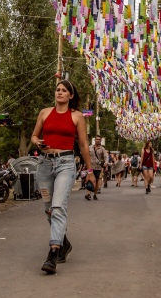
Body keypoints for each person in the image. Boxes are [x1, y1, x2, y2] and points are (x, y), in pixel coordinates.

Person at [31, 80, 95, 274]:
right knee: (48, 209)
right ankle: (63, 242)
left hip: (65, 164)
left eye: (64, 90)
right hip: (44, 164)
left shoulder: (77, 117)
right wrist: (37, 143)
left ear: (71, 95)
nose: (59, 93)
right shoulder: (44, 112)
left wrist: (90, 172)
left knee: (58, 207)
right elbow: (34, 136)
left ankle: (53, 253)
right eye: (57, 89)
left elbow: (83, 146)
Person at [86, 135, 107, 201]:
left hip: (98, 167)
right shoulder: (90, 147)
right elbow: (86, 155)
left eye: (99, 139)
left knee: (97, 181)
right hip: (90, 166)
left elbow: (106, 156)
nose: (98, 140)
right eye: (97, 139)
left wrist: (106, 162)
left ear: (101, 141)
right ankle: (88, 194)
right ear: (94, 140)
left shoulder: (102, 149)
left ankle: (95, 195)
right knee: (90, 180)